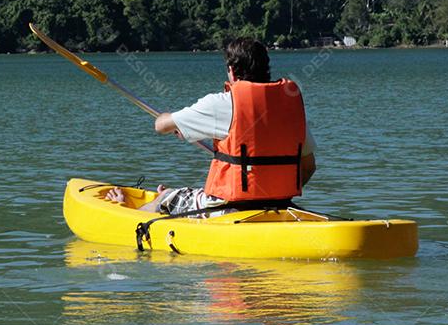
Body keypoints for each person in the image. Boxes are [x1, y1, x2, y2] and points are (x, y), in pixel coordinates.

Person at [106, 38, 316, 215]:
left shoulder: (222, 102)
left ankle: (124, 209)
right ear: (267, 69)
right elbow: (308, 167)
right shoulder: (288, 106)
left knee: (167, 197)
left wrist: (173, 121)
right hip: (280, 205)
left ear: (231, 71)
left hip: (230, 207)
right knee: (177, 193)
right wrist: (272, 195)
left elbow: (160, 125)